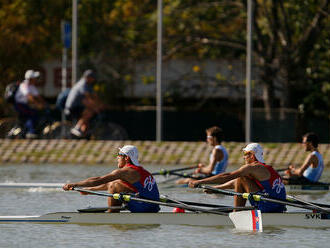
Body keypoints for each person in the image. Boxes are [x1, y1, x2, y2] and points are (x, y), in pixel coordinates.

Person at [189, 143, 287, 213]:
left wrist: (199, 181)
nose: (244, 157)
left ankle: (237, 213)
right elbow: (236, 182)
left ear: (252, 155)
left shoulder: (252, 167)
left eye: (245, 154)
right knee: (241, 178)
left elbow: (226, 176)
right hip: (279, 206)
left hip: (269, 206)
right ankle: (239, 211)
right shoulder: (264, 168)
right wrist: (217, 189)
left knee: (241, 177)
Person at [63, 145, 160, 213]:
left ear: (126, 158)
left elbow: (99, 179)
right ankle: (114, 211)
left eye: (119, 155)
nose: (117, 157)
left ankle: (112, 213)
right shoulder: (139, 171)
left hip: (146, 207)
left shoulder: (126, 171)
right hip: (152, 206)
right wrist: (89, 190)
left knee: (114, 185)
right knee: (115, 183)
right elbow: (110, 184)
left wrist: (75, 184)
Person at [64, 69, 105, 137]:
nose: (93, 79)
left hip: (79, 106)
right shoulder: (82, 85)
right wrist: (96, 107)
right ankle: (77, 127)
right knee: (89, 112)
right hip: (73, 107)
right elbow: (87, 99)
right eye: (92, 78)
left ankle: (84, 135)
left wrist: (100, 104)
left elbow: (94, 97)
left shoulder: (89, 85)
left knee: (88, 119)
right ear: (88, 77)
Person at [14, 70, 47, 138]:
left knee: (36, 113)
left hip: (25, 105)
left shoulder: (32, 86)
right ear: (30, 79)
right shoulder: (24, 85)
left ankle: (30, 130)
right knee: (32, 114)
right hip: (19, 105)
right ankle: (30, 132)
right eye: (35, 78)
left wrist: (45, 104)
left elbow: (38, 96)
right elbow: (29, 96)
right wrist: (37, 104)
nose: (36, 79)